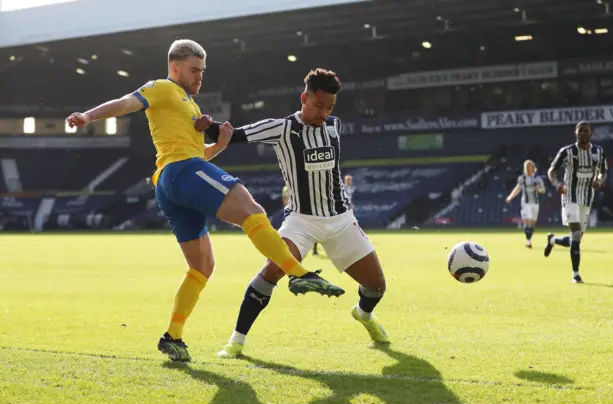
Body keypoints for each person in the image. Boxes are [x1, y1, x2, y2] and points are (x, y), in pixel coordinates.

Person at [65, 40, 343, 362]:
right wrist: (87, 117)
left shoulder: (189, 105)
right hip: (182, 171)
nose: (199, 78)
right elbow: (126, 103)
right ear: (175, 68)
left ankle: (173, 336)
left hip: (172, 181)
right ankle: (297, 273)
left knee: (202, 266)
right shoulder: (163, 88)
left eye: (202, 72)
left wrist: (221, 145)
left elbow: (198, 153)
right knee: (252, 211)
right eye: (194, 70)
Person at [198, 68, 389, 358]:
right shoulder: (282, 128)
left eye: (329, 107)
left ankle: (363, 314)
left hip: (341, 220)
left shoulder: (334, 126)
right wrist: (201, 123)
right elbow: (231, 135)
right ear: (304, 98)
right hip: (301, 220)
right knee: (271, 270)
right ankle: (235, 343)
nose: (324, 113)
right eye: (319, 105)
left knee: (376, 286)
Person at [543, 121, 607, 283]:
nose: (583, 133)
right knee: (576, 234)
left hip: (587, 198)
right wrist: (557, 184)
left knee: (576, 238)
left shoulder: (598, 152)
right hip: (569, 197)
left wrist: (599, 181)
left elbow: (603, 171)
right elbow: (552, 170)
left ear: (591, 133)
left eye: (586, 130)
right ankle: (575, 274)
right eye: (580, 130)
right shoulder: (567, 151)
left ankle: (553, 240)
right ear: (575, 133)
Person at [505, 160, 546, 248]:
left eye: (530, 167)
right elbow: (518, 188)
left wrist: (538, 189)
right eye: (526, 167)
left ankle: (528, 238)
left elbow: (543, 190)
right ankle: (528, 241)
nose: (528, 169)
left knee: (532, 223)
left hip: (535, 203)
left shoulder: (537, 179)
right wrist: (510, 197)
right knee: (529, 221)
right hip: (526, 202)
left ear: (533, 168)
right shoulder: (522, 178)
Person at [312, 174, 355, 255]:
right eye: (348, 180)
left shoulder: (350, 188)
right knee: (320, 230)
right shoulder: (339, 188)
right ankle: (315, 249)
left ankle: (343, 246)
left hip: (340, 210)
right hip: (324, 212)